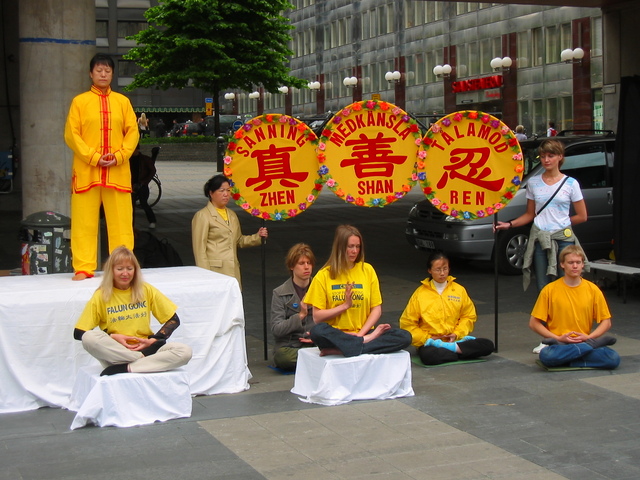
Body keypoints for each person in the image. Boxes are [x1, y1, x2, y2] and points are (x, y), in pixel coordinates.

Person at [495, 139, 587, 353]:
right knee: (544, 288)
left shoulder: (571, 183)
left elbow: (582, 216)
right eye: (543, 156)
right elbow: (530, 214)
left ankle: (570, 331)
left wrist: (562, 224)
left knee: (567, 285)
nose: (546, 160)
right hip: (540, 238)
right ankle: (548, 337)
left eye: (550, 156)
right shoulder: (534, 183)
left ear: (560, 157)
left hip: (563, 239)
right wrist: (509, 224)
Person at [64, 53, 139, 281]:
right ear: (91, 73)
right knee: (83, 222)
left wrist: (120, 156)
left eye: (107, 70)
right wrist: (94, 157)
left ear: (112, 74)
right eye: (99, 70)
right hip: (87, 172)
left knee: (121, 223)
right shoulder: (79, 102)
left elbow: (132, 132)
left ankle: (123, 267)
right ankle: (83, 267)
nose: (103, 74)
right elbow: (71, 134)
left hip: (117, 171)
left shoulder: (123, 102)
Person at [73, 246, 192, 376]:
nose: (125, 273)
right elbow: (79, 333)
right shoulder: (101, 295)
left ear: (135, 270)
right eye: (120, 269)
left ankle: (127, 368)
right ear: (111, 270)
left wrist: (153, 341)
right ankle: (140, 361)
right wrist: (113, 337)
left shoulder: (145, 289)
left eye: (130, 269)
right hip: (117, 353)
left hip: (146, 348)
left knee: (184, 351)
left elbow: (173, 320)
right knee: (89, 337)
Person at [304, 225, 412, 357]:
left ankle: (349, 347)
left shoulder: (368, 270)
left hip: (364, 332)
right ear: (340, 247)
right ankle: (360, 345)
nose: (354, 251)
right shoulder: (323, 275)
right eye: (350, 246)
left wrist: (361, 335)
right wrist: (345, 306)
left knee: (404, 336)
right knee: (317, 331)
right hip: (337, 335)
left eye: (357, 246)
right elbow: (317, 317)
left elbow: (376, 309)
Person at [529, 245, 619, 369]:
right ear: (562, 264)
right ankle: (588, 348)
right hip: (559, 344)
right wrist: (557, 338)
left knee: (613, 358)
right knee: (546, 355)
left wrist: (589, 337)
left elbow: (606, 322)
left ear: (582, 265)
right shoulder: (549, 290)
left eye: (578, 262)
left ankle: (574, 355)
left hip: (584, 340)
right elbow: (533, 323)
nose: (575, 266)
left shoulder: (593, 290)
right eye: (571, 263)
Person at [399, 251, 494, 365]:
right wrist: (427, 338)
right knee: (429, 356)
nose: (442, 273)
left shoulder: (459, 290)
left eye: (445, 269)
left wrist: (457, 333)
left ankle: (451, 350)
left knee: (487, 345)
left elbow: (468, 316)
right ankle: (457, 351)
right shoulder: (420, 294)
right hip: (431, 343)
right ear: (429, 270)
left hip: (455, 340)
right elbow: (407, 324)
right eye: (438, 270)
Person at [191, 175, 267, 289]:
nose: (226, 194)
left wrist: (258, 237)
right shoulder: (202, 216)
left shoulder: (232, 215)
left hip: (233, 270)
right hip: (214, 271)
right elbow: (199, 250)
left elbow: (239, 240)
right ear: (211, 193)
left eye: (228, 190)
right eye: (221, 190)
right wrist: (205, 275)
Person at [270, 243, 316, 371]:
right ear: (291, 266)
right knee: (282, 357)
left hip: (315, 343)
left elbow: (330, 321)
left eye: (309, 263)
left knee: (332, 347)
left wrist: (316, 337)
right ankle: (313, 360)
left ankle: (310, 359)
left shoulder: (320, 289)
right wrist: (300, 315)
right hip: (290, 346)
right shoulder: (280, 293)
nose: (306, 267)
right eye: (301, 263)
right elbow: (276, 329)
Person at [130, 144, 157, 229]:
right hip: (131, 185)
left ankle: (152, 221)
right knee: (130, 206)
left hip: (142, 184)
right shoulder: (128, 159)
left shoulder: (144, 159)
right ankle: (131, 224)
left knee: (144, 203)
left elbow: (152, 171)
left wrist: (144, 182)